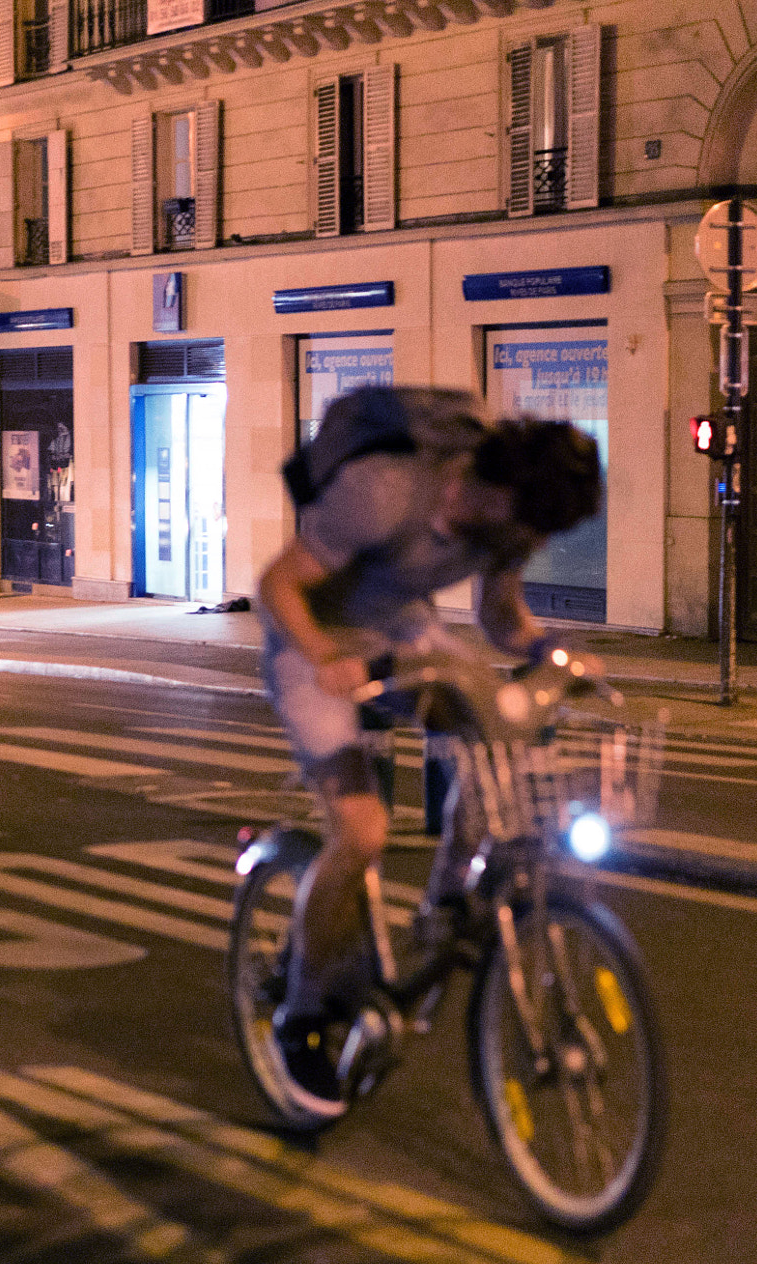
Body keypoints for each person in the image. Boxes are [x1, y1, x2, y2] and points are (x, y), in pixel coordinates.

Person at [255, 386, 602, 1098]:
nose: (525, 541)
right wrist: (325, 656)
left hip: (403, 632)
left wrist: (550, 650)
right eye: (526, 523)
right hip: (314, 640)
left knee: (500, 723)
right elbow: (277, 585)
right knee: (362, 830)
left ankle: (446, 903)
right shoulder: (382, 491)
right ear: (495, 484)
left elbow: (501, 617)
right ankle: (302, 1013)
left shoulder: (514, 522)